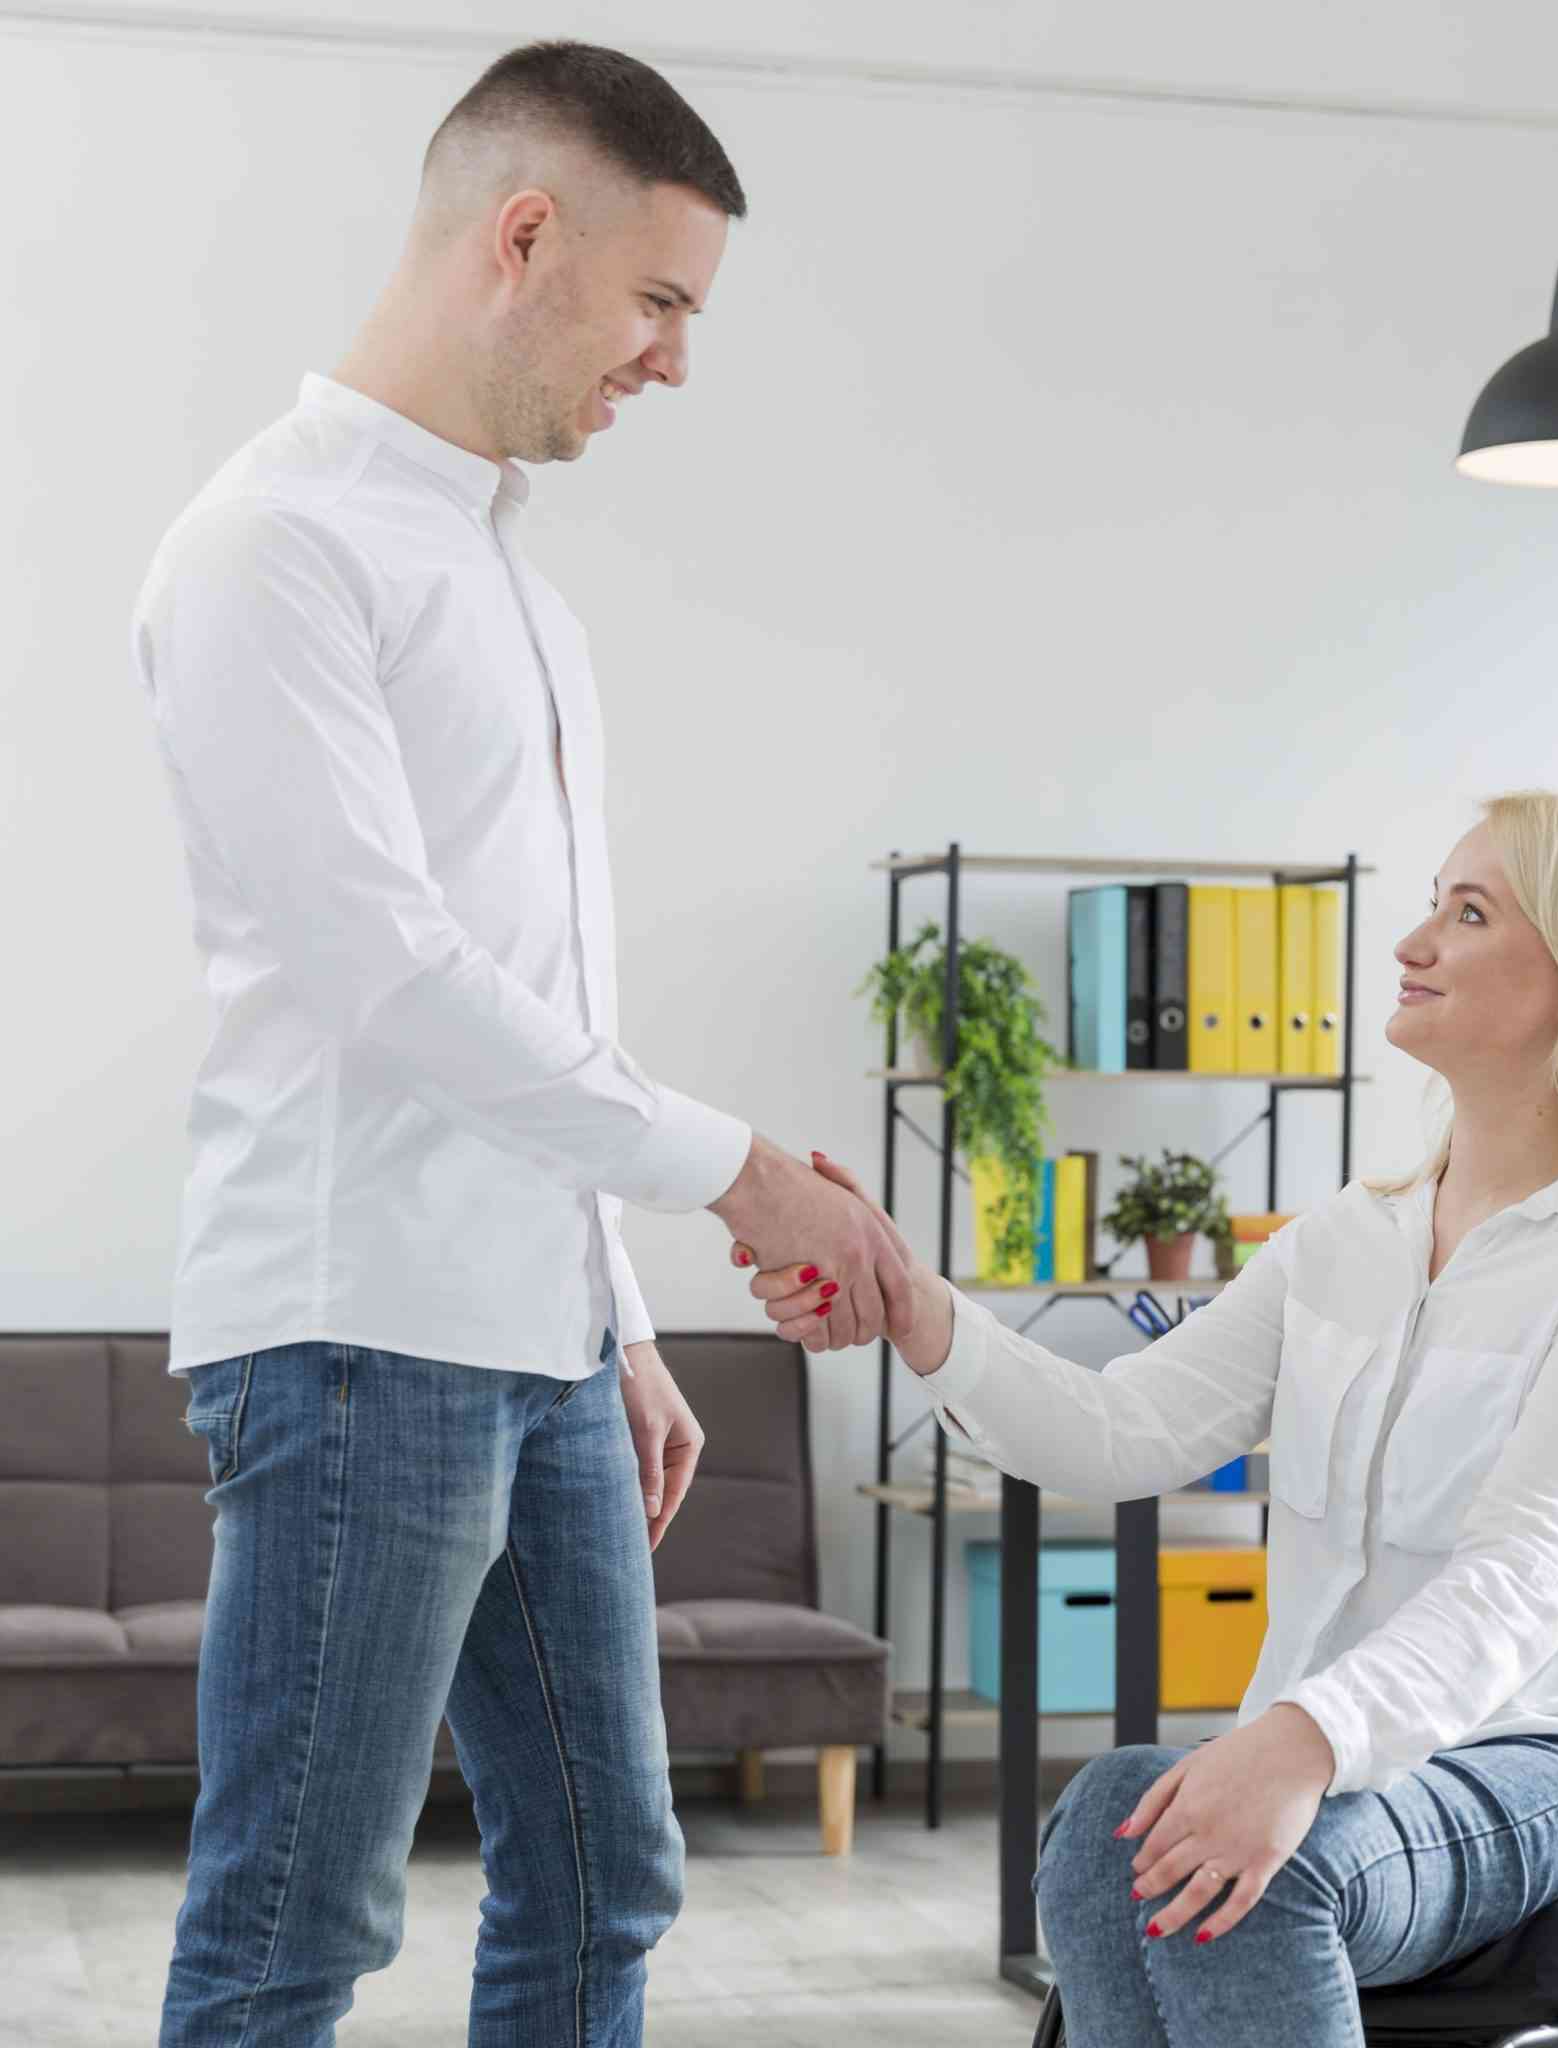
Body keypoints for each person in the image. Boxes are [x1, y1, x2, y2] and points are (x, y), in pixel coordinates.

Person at [132, 43, 902, 2046]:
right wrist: (737, 1166)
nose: (669, 361)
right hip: (357, 1331)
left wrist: (618, 1315)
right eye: (658, 302)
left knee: (606, 1878)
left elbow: (534, 1006)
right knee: (296, 1926)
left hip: (535, 1341)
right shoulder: (271, 545)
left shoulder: (509, 580)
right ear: (524, 234)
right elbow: (385, 975)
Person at [743, 793, 1558, 2047]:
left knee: (1262, 1865)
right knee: (1112, 1810)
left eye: (1470, 911)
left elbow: (1524, 1573)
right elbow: (1120, 1434)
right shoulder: (1347, 1235)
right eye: (1434, 902)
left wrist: (1302, 1741)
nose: (1413, 941)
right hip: (1345, 1751)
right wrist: (915, 1306)